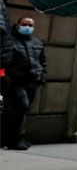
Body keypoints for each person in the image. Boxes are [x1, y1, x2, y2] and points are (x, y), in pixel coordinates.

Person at [1, 17, 46, 150]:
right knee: (22, 106)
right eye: (24, 24)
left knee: (21, 110)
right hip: (15, 82)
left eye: (30, 25)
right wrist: (5, 78)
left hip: (32, 82)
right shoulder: (9, 42)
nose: (27, 27)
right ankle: (16, 139)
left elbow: (42, 62)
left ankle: (13, 139)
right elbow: (2, 62)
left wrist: (42, 77)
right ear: (18, 25)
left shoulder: (37, 42)